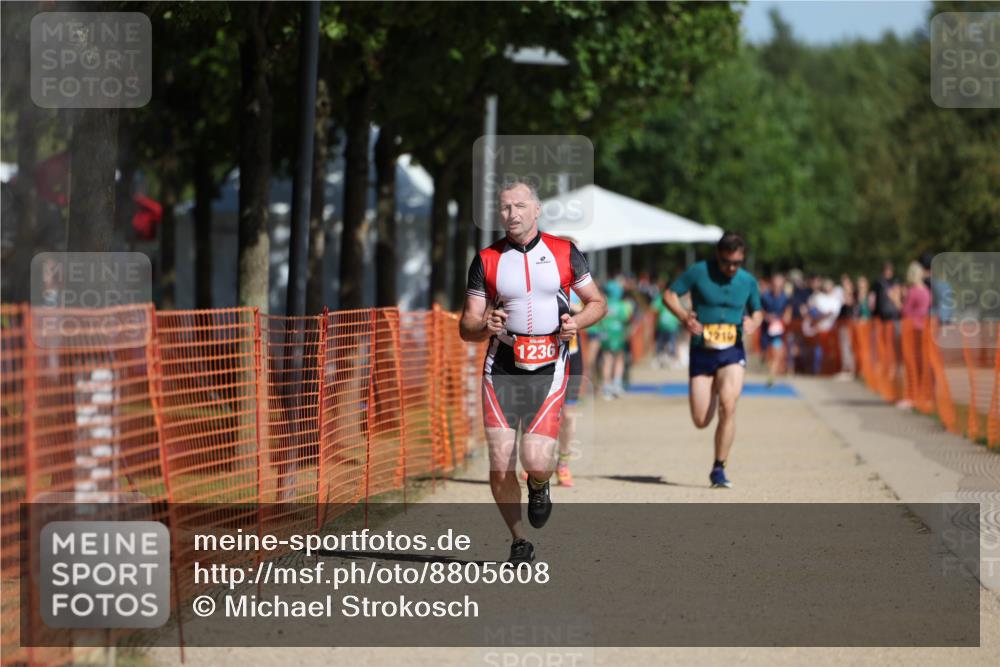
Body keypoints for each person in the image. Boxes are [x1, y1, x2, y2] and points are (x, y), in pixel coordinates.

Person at [459, 181, 606, 563]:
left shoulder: (565, 252)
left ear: (537, 210)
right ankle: (518, 539)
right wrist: (484, 325)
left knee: (536, 460)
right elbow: (466, 326)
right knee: (500, 461)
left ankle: (540, 484)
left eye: (520, 206)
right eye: (505, 207)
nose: (512, 214)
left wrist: (577, 322)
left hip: (549, 365)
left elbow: (597, 302)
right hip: (501, 367)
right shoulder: (486, 259)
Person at [663, 232, 763, 489]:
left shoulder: (748, 281)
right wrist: (684, 317)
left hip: (732, 351)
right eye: (726, 262)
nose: (731, 268)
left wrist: (753, 322)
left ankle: (719, 468)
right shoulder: (699, 271)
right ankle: (716, 388)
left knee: (729, 406)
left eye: (737, 263)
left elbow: (758, 311)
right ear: (718, 256)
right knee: (700, 420)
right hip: (702, 350)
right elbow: (669, 295)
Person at [599, 279, 634, 399]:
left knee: (607, 360)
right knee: (619, 359)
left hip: (605, 333)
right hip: (618, 333)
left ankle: (606, 387)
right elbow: (627, 319)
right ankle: (617, 384)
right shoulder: (623, 305)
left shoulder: (603, 305)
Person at [760, 273, 791, 385]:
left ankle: (771, 377)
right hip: (765, 329)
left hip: (777, 331)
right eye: (775, 285)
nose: (777, 287)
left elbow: (788, 310)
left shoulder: (785, 297)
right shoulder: (765, 296)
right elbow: (759, 309)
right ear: (772, 284)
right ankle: (764, 358)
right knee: (765, 354)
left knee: (776, 354)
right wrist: (767, 316)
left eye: (779, 285)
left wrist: (785, 317)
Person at [653, 277, 681, 368]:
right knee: (670, 343)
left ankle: (671, 359)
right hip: (667, 325)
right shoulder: (673, 297)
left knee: (666, 343)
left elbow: (655, 311)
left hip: (667, 325)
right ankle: (667, 359)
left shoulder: (661, 297)